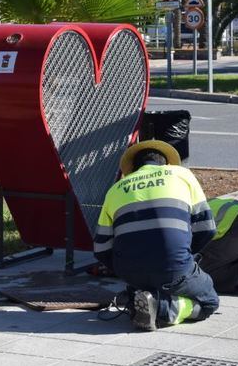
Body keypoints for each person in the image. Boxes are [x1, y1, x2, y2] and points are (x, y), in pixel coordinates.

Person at [94, 140, 219, 331]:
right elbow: (206, 229)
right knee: (209, 301)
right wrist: (182, 257)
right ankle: (161, 307)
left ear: (133, 168)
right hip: (174, 269)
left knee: (147, 281)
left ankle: (141, 297)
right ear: (166, 163)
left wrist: (128, 273)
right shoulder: (182, 175)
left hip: (130, 272)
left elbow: (101, 249)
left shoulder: (116, 189)